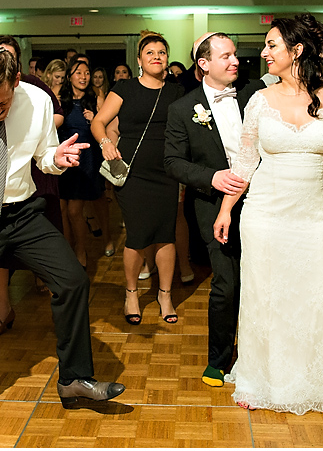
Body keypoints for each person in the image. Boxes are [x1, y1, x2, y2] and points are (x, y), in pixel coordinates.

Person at [0, 45, 125, 428]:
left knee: (72, 280)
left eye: (1, 103)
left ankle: (74, 380)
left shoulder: (36, 101)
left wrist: (57, 160)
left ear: (16, 81)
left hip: (23, 211)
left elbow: (43, 156)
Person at [213, 14, 323, 414]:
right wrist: (226, 209)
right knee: (268, 296)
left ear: (296, 51)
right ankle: (263, 379)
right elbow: (244, 164)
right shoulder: (259, 100)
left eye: (271, 45)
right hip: (267, 213)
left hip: (321, 215)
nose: (263, 52)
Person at [164, 32, 265, 387]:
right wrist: (212, 177)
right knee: (226, 281)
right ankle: (219, 359)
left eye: (235, 54)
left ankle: (263, 355)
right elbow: (173, 162)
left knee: (264, 279)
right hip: (212, 204)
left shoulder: (256, 94)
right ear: (204, 64)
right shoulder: (182, 108)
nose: (235, 61)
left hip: (264, 197)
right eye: (225, 56)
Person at [92, 31, 184, 325]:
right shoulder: (125, 88)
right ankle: (131, 293)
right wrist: (107, 143)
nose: (157, 57)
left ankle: (164, 295)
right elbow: (99, 122)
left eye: (161, 52)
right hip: (132, 173)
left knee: (165, 235)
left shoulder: (177, 92)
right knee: (137, 235)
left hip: (166, 174)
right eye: (150, 53)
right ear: (139, 60)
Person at [0, 34, 65, 338]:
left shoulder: (34, 88)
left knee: (51, 253)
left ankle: (62, 316)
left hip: (37, 176)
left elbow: (55, 117)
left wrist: (31, 135)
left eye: (9, 57)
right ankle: (3, 310)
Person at [58, 57, 112, 267]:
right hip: (65, 158)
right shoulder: (60, 99)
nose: (84, 77)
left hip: (87, 159)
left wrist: (94, 119)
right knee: (63, 210)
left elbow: (106, 129)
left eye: (86, 73)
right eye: (78, 73)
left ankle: (82, 249)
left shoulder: (96, 98)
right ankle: (67, 250)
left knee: (75, 210)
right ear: (69, 76)